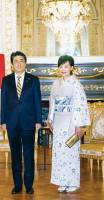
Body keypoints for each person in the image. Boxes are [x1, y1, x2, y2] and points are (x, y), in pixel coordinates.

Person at [1, 51, 42, 194]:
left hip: (29, 122)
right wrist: (3, 121)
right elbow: (4, 102)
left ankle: (29, 185)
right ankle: (17, 185)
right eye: (16, 61)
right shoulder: (6, 80)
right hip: (12, 123)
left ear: (25, 63)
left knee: (28, 155)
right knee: (16, 155)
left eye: (21, 60)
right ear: (12, 65)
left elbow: (38, 101)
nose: (19, 63)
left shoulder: (33, 80)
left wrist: (38, 120)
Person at [47, 55, 90, 193]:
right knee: (59, 153)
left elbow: (80, 105)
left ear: (72, 68)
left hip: (71, 122)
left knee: (70, 152)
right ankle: (62, 181)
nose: (63, 69)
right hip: (59, 122)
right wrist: (50, 119)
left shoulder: (76, 84)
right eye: (61, 66)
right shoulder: (56, 83)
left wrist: (79, 125)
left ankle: (72, 182)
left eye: (66, 66)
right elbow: (52, 103)